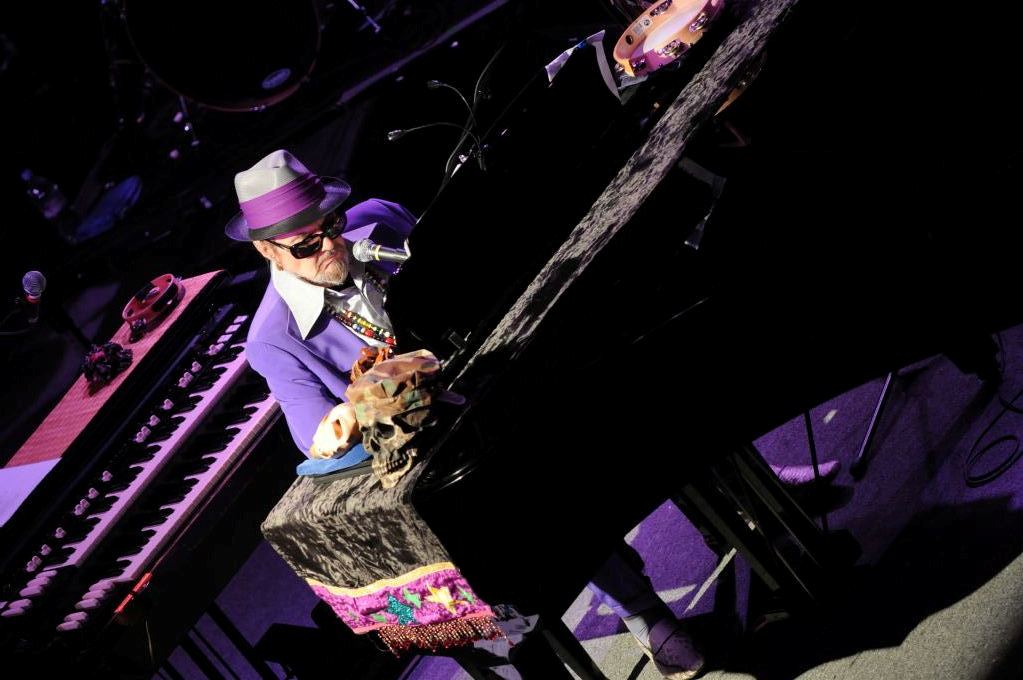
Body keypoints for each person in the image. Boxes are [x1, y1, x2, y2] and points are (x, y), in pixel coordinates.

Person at [226, 149, 839, 679]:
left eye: (332, 224)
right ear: (266, 250)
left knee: (635, 364)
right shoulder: (273, 338)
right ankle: (645, 614)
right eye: (308, 243)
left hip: (501, 365)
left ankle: (750, 498)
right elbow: (317, 437)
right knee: (538, 486)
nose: (333, 244)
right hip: (454, 435)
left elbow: (468, 271)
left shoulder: (377, 219)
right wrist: (368, 400)